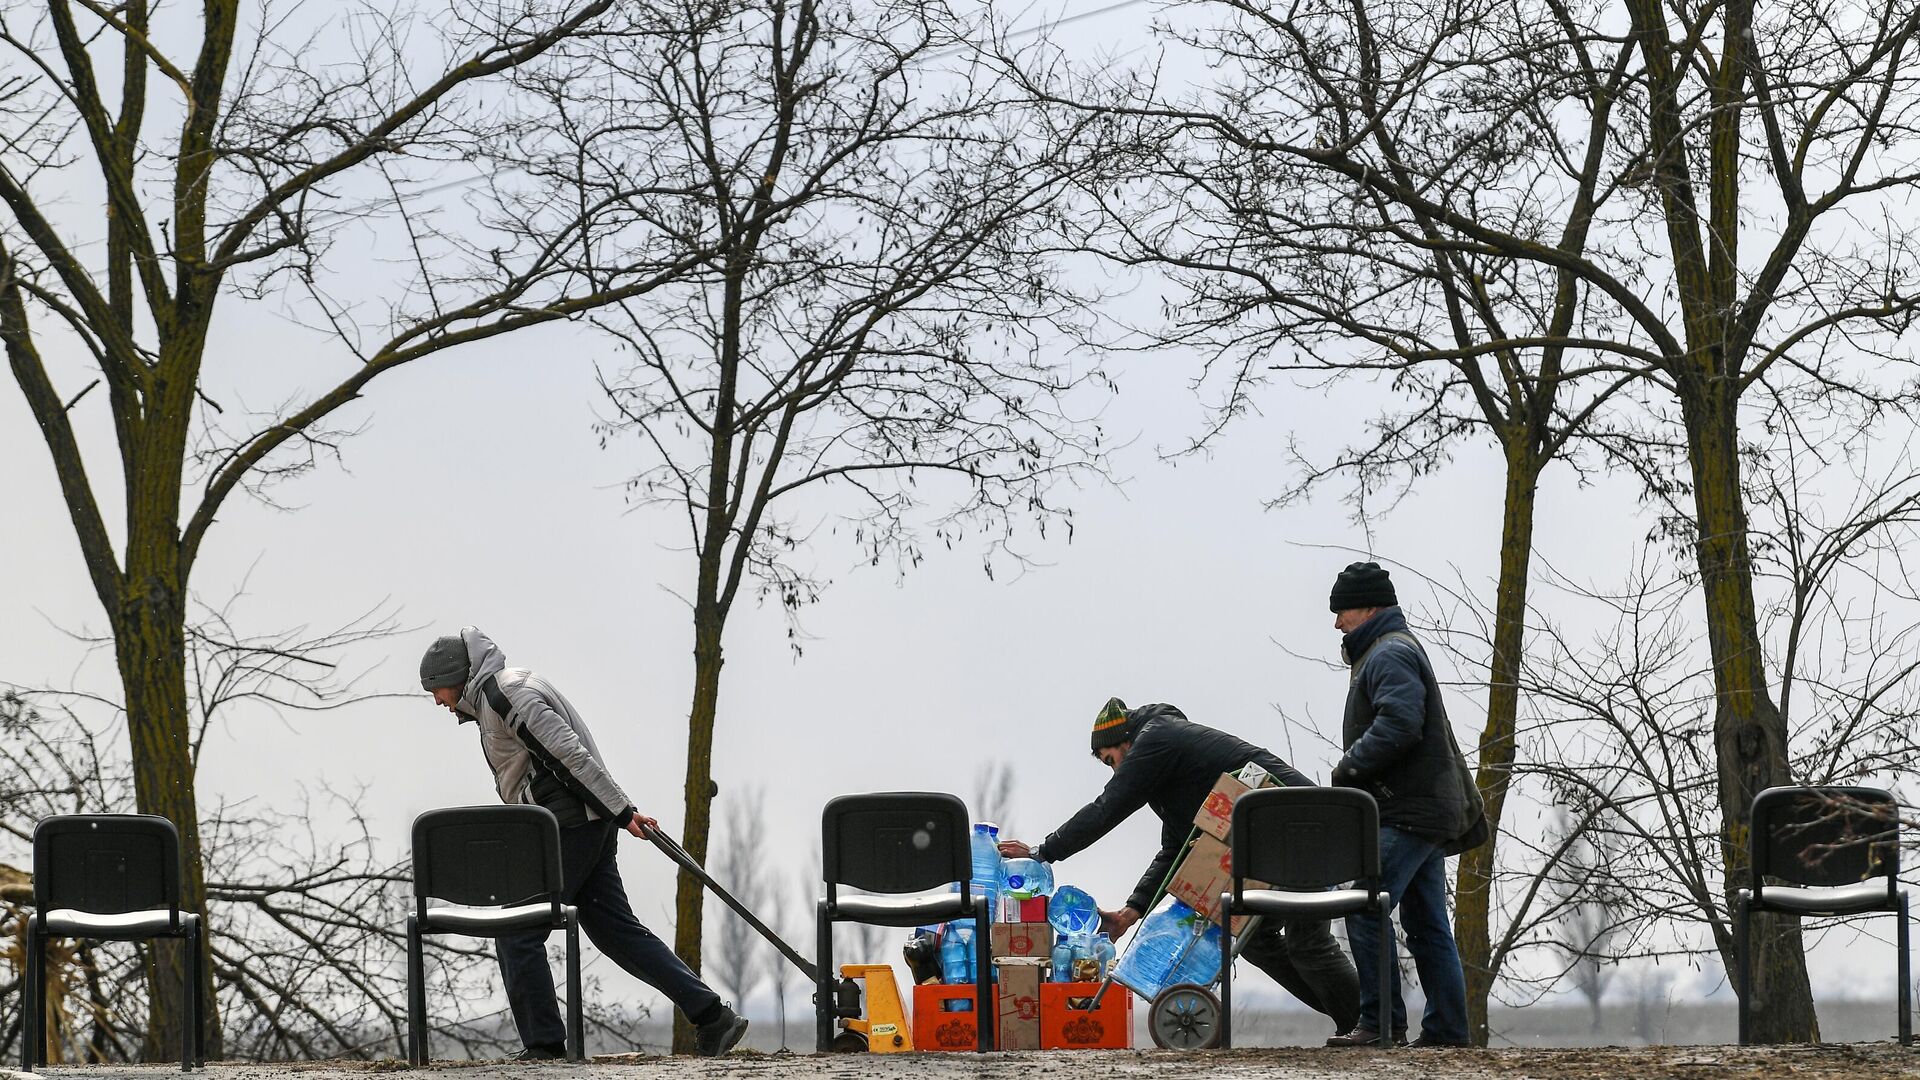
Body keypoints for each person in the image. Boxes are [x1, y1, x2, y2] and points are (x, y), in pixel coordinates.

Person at [418, 626, 749, 1059]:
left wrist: (622, 811)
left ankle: (545, 1047)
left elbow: (568, 755)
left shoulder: (506, 694)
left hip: (568, 827)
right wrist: (616, 811)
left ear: (457, 675)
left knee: (515, 929)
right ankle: (712, 1016)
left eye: (436, 690)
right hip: (583, 823)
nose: (437, 702)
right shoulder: (495, 697)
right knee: (616, 932)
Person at [997, 698, 1361, 1035]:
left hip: (1304, 827)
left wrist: (1042, 851)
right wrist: (1130, 913)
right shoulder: (1171, 774)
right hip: (1278, 839)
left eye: (1111, 761)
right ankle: (1358, 1022)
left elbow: (1107, 808)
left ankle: (1371, 1023)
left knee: (1307, 943)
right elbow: (1175, 849)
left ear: (1124, 741)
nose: (1116, 772)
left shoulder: (1157, 740)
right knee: (1258, 941)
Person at [1325, 562, 1484, 1048]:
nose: (1337, 623)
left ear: (1370, 607)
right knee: (1426, 923)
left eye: (1342, 611)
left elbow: (1400, 723)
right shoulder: (1390, 649)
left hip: (1408, 811)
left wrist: (1350, 767)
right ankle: (1447, 1032)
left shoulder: (1388, 654)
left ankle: (1380, 1024)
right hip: (1426, 807)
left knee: (1364, 904)